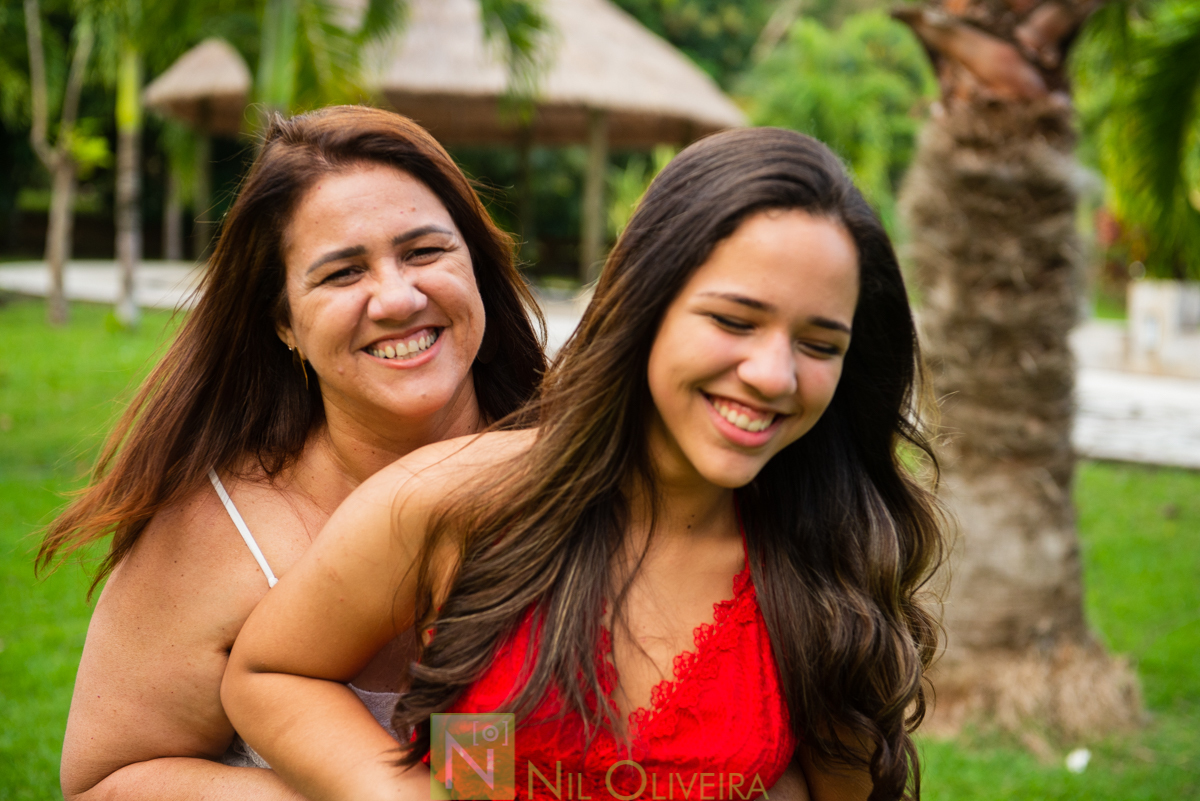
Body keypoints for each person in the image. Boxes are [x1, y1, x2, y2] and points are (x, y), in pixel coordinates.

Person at [222, 127, 945, 801]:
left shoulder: (826, 570)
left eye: (820, 343)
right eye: (733, 320)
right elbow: (269, 673)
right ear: (646, 305)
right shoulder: (455, 501)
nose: (774, 374)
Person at [38, 105, 546, 800]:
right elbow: (103, 782)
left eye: (425, 251)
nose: (397, 297)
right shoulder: (216, 532)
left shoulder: (581, 470)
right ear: (284, 324)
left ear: (477, 267)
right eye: (342, 273)